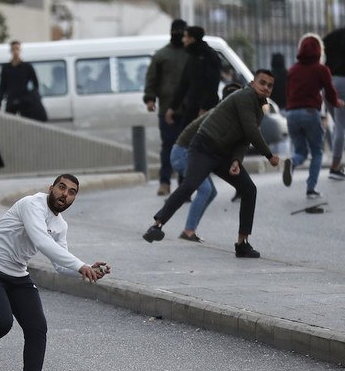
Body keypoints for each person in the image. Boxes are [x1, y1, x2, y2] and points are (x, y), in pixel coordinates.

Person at [0, 174, 110, 371]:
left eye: (72, 192)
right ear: (51, 188)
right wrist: (80, 264)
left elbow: (59, 264)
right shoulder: (31, 204)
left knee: (37, 329)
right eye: (61, 188)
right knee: (1, 323)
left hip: (17, 274)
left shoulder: (60, 225)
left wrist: (87, 270)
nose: (65, 194)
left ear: (74, 198)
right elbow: (41, 242)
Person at [143, 70, 281, 258]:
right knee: (190, 185)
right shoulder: (244, 96)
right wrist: (269, 155)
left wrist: (236, 161)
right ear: (252, 83)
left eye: (269, 85)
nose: (265, 87)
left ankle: (243, 244)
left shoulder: (258, 108)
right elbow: (251, 131)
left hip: (223, 155)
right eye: (262, 83)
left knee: (249, 189)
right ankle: (157, 225)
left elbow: (243, 139)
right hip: (204, 148)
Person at [170, 83, 243, 243]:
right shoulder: (219, 116)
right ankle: (188, 231)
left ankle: (190, 230)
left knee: (211, 191)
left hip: (185, 153)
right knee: (205, 189)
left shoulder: (225, 115)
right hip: (182, 153)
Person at [282, 33, 344, 198]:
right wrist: (337, 102)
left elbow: (288, 93)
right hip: (310, 112)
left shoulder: (292, 70)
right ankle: (311, 189)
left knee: (301, 152)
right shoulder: (321, 69)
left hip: (291, 113)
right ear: (319, 50)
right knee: (317, 152)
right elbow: (330, 93)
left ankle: (293, 162)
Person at [143, 19, 189, 196]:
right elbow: (151, 79)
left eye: (181, 31)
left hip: (188, 110)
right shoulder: (161, 55)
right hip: (166, 109)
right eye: (176, 31)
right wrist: (150, 99)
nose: (178, 34)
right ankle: (164, 182)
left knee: (186, 148)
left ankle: (184, 184)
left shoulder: (191, 54)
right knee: (168, 147)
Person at [165, 26, 221, 132]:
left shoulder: (210, 56)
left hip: (205, 108)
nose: (183, 40)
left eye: (185, 37)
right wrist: (172, 107)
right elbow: (183, 84)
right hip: (192, 106)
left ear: (192, 39)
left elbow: (212, 85)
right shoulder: (192, 57)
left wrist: (204, 107)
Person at [0, 40, 47, 122]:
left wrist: (33, 96)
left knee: (26, 122)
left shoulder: (27, 67)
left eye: (17, 49)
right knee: (10, 123)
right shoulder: (6, 68)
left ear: (20, 50)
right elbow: (2, 86)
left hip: (25, 100)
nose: (15, 51)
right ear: (11, 51)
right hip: (11, 99)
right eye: (13, 49)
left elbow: (36, 83)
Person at [323, 27, 345, 180]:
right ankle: (335, 166)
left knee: (338, 125)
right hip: (343, 83)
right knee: (340, 126)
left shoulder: (331, 36)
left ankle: (337, 163)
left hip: (328, 82)